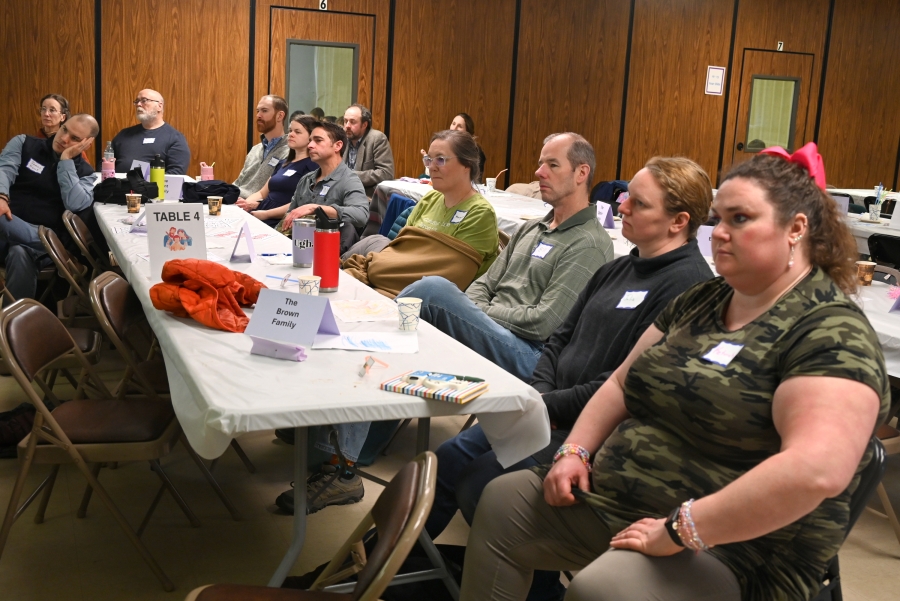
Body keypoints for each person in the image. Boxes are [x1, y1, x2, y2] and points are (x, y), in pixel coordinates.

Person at [458, 143, 890, 601]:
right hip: (620, 501)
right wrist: (576, 450)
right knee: (504, 502)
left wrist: (685, 527)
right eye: (719, 218)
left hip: (734, 547)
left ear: (796, 229)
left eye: (740, 219)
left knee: (603, 590)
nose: (719, 233)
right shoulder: (704, 300)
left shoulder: (830, 331)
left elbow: (815, 470)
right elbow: (624, 380)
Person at [426, 157, 715, 600]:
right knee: (448, 459)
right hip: (548, 405)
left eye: (638, 202)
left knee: (481, 484)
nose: (621, 207)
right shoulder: (620, 267)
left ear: (678, 221)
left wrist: (549, 408)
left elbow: (621, 385)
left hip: (593, 428)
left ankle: (532, 586)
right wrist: (539, 395)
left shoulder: (687, 286)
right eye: (624, 197)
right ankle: (408, 565)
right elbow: (560, 337)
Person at [398, 132, 614, 381]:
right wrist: (479, 311)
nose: (539, 172)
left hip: (532, 355)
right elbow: (482, 285)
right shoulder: (530, 228)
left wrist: (480, 312)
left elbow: (543, 323)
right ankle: (370, 408)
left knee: (432, 291)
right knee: (408, 356)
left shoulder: (589, 244)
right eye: (540, 164)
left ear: (581, 173)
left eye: (552, 165)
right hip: (494, 332)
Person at [342, 129, 500, 289]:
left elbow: (449, 277)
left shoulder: (480, 213)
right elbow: (401, 250)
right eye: (428, 159)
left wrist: (376, 268)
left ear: (467, 165)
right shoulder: (430, 200)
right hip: (394, 277)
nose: (431, 167)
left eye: (440, 160)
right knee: (364, 251)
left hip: (425, 294)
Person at [0, 114, 98, 302]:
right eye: (65, 130)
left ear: (87, 143)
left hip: (41, 237)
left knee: (20, 253)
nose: (64, 138)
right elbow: (4, 169)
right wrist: (1, 196)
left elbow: (75, 204)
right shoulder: (24, 143)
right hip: (8, 227)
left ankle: (14, 326)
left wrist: (66, 160)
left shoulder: (86, 173)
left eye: (75, 139)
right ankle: (63, 255)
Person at [278, 121, 368, 251]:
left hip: (326, 252)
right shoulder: (306, 179)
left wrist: (317, 208)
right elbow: (288, 218)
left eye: (318, 140)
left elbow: (361, 216)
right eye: (310, 141)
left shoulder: (349, 180)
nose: (310, 145)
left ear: (337, 146)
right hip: (297, 247)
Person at [237, 115, 318, 227]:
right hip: (261, 213)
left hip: (279, 220)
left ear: (311, 137)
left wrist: (266, 214)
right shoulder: (283, 163)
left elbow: (301, 204)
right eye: (290, 130)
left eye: (297, 132)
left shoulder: (313, 166)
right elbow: (262, 192)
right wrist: (246, 204)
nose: (291, 134)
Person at [111, 88, 190, 174]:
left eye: (144, 100)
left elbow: (176, 173)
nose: (138, 104)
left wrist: (145, 185)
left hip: (153, 186)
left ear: (159, 106)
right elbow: (105, 162)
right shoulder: (124, 134)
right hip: (117, 186)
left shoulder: (175, 138)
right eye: (137, 101)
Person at [233, 95, 290, 201]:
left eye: (264, 111)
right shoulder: (255, 149)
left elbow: (279, 193)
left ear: (280, 116)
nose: (258, 115)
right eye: (257, 111)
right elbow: (239, 182)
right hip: (235, 201)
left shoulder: (289, 152)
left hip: (256, 207)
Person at [342, 104, 395, 198]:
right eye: (345, 121)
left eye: (352, 122)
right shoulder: (342, 140)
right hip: (342, 193)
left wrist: (350, 176)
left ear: (364, 125)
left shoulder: (377, 139)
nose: (347, 126)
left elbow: (386, 173)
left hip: (366, 196)